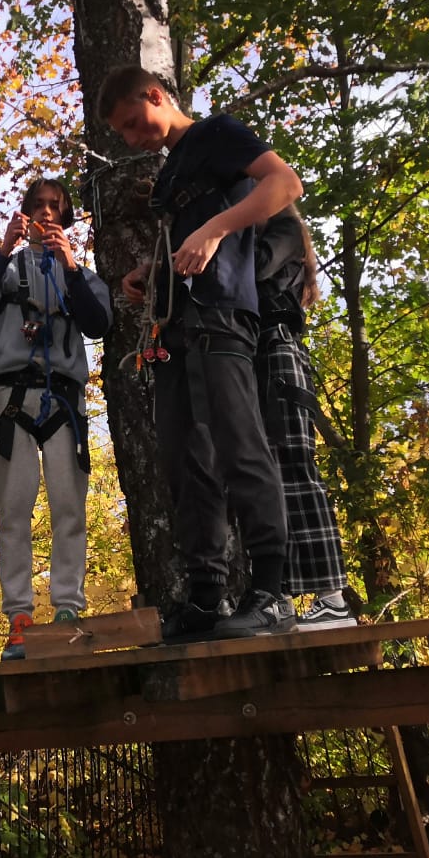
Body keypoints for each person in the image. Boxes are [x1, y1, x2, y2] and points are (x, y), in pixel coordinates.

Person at [99, 64, 301, 640]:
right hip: (176, 329)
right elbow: (187, 243)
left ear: (156, 95)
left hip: (223, 315)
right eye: (123, 133)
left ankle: (272, 594)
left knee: (241, 447)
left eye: (134, 123)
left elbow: (285, 184)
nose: (133, 139)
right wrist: (151, 270)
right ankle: (207, 597)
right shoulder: (170, 173)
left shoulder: (216, 133)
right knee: (188, 464)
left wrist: (215, 229)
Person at [0, 178, 113, 659]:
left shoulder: (81, 274)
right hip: (12, 398)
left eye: (55, 207)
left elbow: (98, 323)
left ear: (65, 219)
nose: (47, 213)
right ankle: (19, 618)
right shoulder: (5, 267)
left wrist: (70, 266)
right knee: (13, 510)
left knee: (69, 507)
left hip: (63, 399)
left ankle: (67, 608)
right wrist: (4, 250)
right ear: (25, 214)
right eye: (38, 206)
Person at [256, 205, 358, 629]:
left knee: (296, 469)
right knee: (264, 479)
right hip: (258, 355)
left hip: (277, 353)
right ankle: (279, 596)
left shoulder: (283, 231)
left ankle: (333, 598)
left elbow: (255, 269)